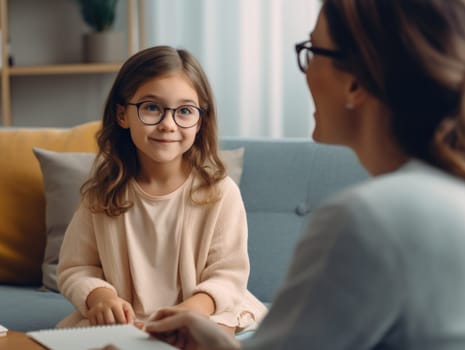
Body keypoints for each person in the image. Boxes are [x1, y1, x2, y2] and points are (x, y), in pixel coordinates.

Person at [142, 0, 465, 349]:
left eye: (312, 52)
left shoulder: (368, 219)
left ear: (355, 83)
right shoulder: (447, 194)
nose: (305, 70)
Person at [56, 46, 266, 334]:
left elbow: (228, 276)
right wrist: (100, 297)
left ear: (200, 121)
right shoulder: (101, 195)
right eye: (152, 107)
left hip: (205, 311)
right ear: (122, 115)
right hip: (126, 322)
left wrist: (190, 311)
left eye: (184, 111)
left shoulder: (220, 193)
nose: (168, 124)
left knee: (211, 334)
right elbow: (75, 268)